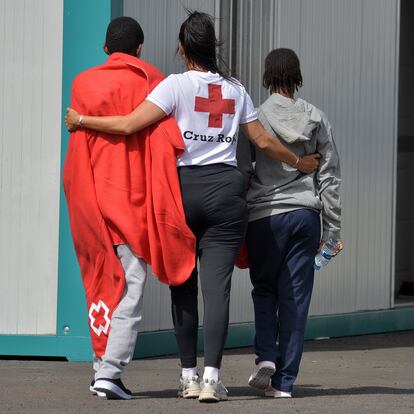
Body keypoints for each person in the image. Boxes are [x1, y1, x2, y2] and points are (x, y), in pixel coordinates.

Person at [65, 12, 320, 403]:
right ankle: (211, 379)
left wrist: (82, 119)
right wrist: (299, 162)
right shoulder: (235, 90)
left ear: (183, 49)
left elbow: (130, 124)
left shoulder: (174, 86)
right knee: (216, 290)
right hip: (226, 194)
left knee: (182, 284)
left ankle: (187, 375)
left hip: (181, 194)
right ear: (212, 46)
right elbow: (264, 143)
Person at [63, 17, 195, 400]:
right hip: (133, 201)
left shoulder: (83, 83)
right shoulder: (153, 79)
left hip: (91, 198)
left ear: (106, 49)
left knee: (101, 280)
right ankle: (109, 372)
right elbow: (170, 140)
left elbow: (78, 146)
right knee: (130, 286)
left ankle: (99, 364)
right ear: (139, 49)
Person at [237, 48, 343, 398]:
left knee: (265, 289)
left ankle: (266, 355)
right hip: (304, 216)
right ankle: (284, 384)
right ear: (297, 76)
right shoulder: (315, 117)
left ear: (267, 76)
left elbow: (242, 170)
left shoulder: (255, 118)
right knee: (295, 298)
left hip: (265, 218)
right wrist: (332, 231)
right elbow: (329, 178)